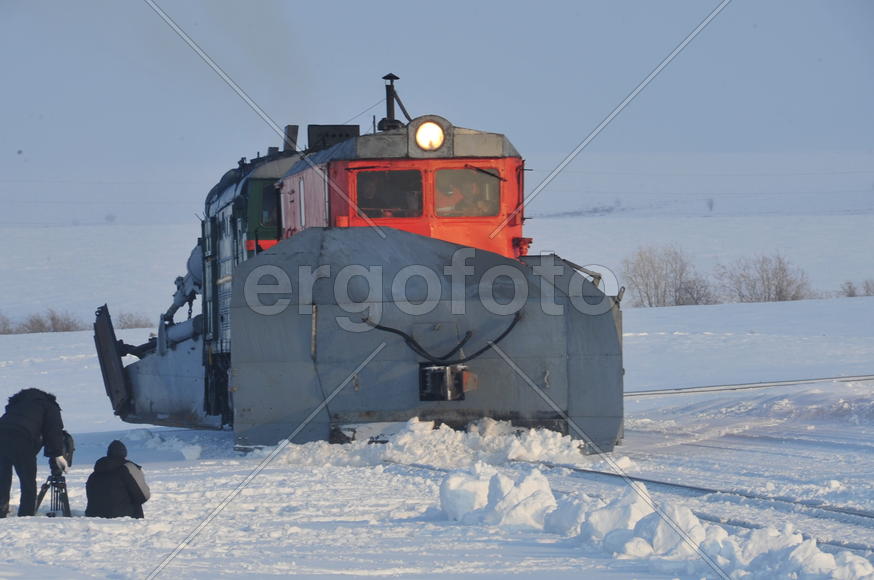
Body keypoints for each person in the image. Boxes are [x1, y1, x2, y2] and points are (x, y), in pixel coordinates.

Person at [0, 388, 66, 518]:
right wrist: (57, 454)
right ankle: (26, 515)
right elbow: (53, 433)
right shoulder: (49, 406)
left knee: (2, 479)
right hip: (22, 439)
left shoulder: (17, 402)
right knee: (27, 482)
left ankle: (1, 512)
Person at [85, 440, 150, 519]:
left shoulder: (95, 473)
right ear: (125, 453)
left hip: (93, 516)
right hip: (123, 517)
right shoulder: (128, 468)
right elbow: (143, 496)